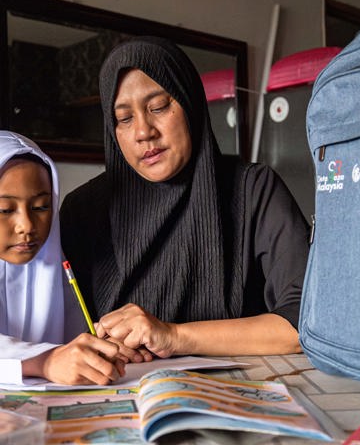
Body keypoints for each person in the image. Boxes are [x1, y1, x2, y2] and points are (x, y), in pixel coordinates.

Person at [60, 37, 310, 359]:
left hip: (240, 384)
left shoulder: (253, 190)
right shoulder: (83, 210)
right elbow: (57, 331)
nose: (143, 132)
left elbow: (305, 323)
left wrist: (174, 336)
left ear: (190, 103)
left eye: (158, 107)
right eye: (124, 118)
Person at [0, 131, 126, 385]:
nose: (27, 226)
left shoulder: (56, 268)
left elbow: (73, 349)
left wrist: (99, 352)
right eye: (5, 209)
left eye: (41, 207)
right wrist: (44, 362)